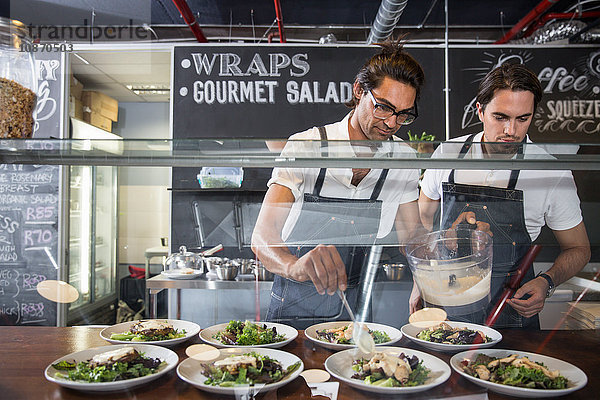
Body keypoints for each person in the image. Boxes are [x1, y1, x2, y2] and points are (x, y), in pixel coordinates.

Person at [251, 39, 425, 329]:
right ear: (359, 91)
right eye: (383, 107)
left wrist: (427, 277)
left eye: (403, 114)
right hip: (293, 306)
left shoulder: (402, 159)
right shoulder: (306, 146)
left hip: (356, 311)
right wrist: (292, 266)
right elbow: (262, 236)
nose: (392, 123)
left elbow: (413, 236)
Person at [415, 63, 590, 329]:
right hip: (447, 308)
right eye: (501, 117)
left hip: (512, 311)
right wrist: (421, 281)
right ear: (480, 111)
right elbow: (422, 223)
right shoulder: (447, 154)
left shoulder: (551, 170)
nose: (511, 131)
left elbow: (579, 249)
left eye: (522, 119)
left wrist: (547, 282)